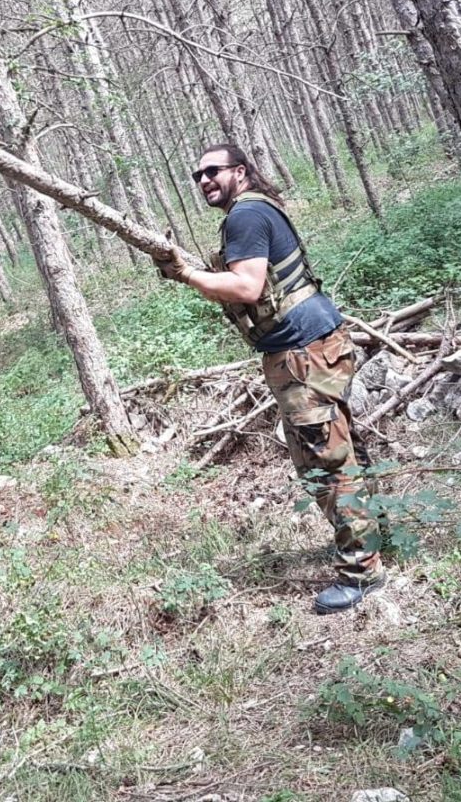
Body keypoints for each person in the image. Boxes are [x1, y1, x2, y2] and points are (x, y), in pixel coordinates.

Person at [156, 143, 384, 614]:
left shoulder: (244, 215)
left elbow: (247, 287)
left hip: (303, 353)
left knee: (325, 461)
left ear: (240, 171)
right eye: (197, 175)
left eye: (213, 171)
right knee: (338, 449)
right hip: (312, 345)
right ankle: (373, 538)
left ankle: (362, 570)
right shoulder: (256, 210)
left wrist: (187, 273)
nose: (204, 180)